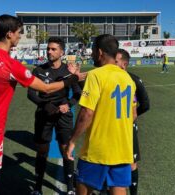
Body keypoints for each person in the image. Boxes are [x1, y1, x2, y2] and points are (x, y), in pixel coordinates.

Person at [0, 14, 81, 195]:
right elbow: (46, 89)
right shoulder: (11, 65)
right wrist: (72, 78)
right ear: (9, 34)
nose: (20, 36)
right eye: (19, 33)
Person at [65, 34, 136, 195]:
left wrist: (73, 140)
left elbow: (86, 113)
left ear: (100, 52)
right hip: (123, 148)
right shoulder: (128, 78)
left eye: (92, 51)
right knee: (118, 188)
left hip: (98, 148)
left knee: (82, 186)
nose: (91, 55)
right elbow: (133, 114)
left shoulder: (96, 75)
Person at [27, 37, 81, 195]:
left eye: (53, 49)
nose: (49, 51)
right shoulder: (39, 70)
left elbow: (78, 94)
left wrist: (68, 105)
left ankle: (70, 189)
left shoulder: (68, 71)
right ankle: (37, 188)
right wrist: (44, 104)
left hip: (63, 116)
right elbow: (31, 94)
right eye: (48, 49)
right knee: (42, 150)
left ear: (62, 52)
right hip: (44, 114)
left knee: (66, 150)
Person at [116, 49, 150, 195]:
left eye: (115, 61)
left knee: (131, 163)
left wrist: (131, 118)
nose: (112, 64)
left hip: (128, 127)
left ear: (124, 64)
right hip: (110, 127)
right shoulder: (107, 78)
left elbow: (145, 104)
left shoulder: (134, 79)